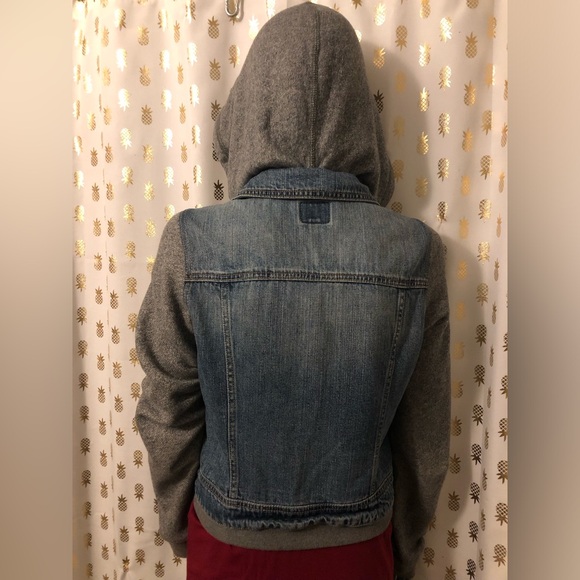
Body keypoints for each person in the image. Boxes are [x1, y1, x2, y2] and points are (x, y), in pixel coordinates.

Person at [135, 3, 450, 579]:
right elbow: (424, 438)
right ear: (361, 117)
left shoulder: (192, 242)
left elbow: (166, 413)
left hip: (227, 545)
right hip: (361, 548)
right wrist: (400, 549)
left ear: (251, 105)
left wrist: (183, 527)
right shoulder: (415, 252)